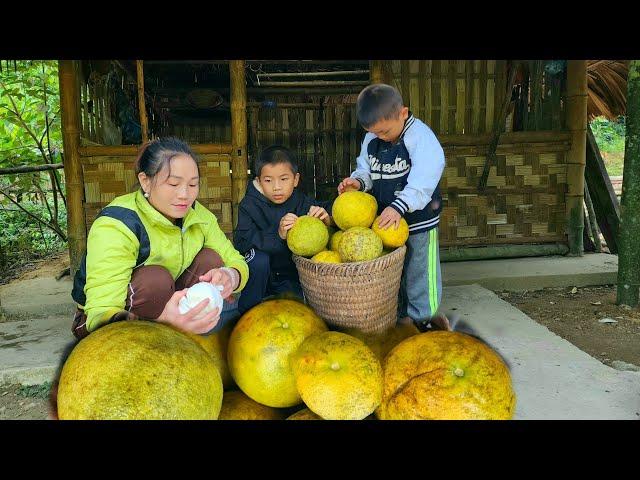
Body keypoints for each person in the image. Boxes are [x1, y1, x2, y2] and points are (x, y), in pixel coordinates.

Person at [70, 137, 249, 340]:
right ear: (145, 181)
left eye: (193, 184)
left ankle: (182, 335)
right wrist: (162, 322)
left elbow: (235, 259)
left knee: (212, 259)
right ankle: (157, 337)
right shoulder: (117, 224)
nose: (184, 195)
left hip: (169, 303)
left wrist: (231, 276)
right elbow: (101, 312)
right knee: (155, 280)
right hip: (108, 322)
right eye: (173, 183)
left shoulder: (198, 216)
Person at [337, 83, 450, 331]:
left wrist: (400, 206)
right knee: (396, 272)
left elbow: (425, 177)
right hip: (388, 223)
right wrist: (357, 181)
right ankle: (404, 315)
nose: (381, 137)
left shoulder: (420, 137)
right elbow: (366, 169)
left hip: (419, 218)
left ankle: (425, 317)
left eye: (385, 131)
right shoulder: (372, 138)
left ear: (403, 113)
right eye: (375, 133)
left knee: (420, 270)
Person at [233, 145, 332, 314]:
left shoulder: (300, 201)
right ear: (258, 181)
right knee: (259, 260)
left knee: (294, 313)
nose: (276, 187)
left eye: (284, 179)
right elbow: (241, 242)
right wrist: (277, 234)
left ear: (295, 179)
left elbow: (330, 208)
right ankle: (246, 314)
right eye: (268, 180)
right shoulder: (249, 205)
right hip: (260, 276)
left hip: (289, 275)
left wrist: (326, 217)